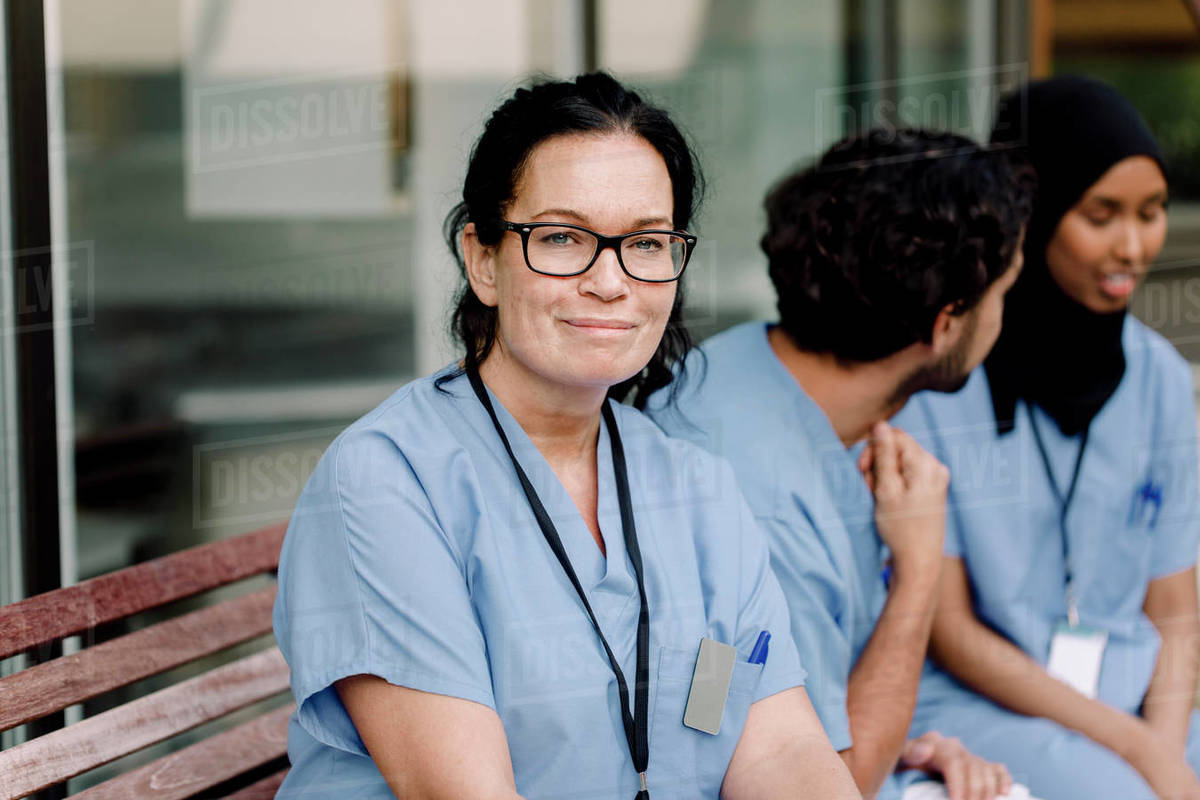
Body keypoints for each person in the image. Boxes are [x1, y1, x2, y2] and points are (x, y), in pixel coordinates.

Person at [271, 73, 858, 799]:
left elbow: (778, 752)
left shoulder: (695, 487)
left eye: (645, 243)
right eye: (561, 237)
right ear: (482, 258)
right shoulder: (386, 485)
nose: (611, 281)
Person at [649, 129, 1035, 800]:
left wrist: (909, 751)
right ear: (944, 324)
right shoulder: (755, 499)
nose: (1006, 320)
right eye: (1003, 294)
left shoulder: (747, 367)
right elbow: (833, 781)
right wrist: (918, 573)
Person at [891, 76, 1200, 800]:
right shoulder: (945, 373)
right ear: (1033, 213)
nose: (1133, 244)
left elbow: (1175, 611)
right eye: (1101, 214)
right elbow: (952, 629)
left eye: (1152, 213)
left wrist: (1160, 742)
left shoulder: (1157, 375)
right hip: (988, 706)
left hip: (1137, 700)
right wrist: (1144, 756)